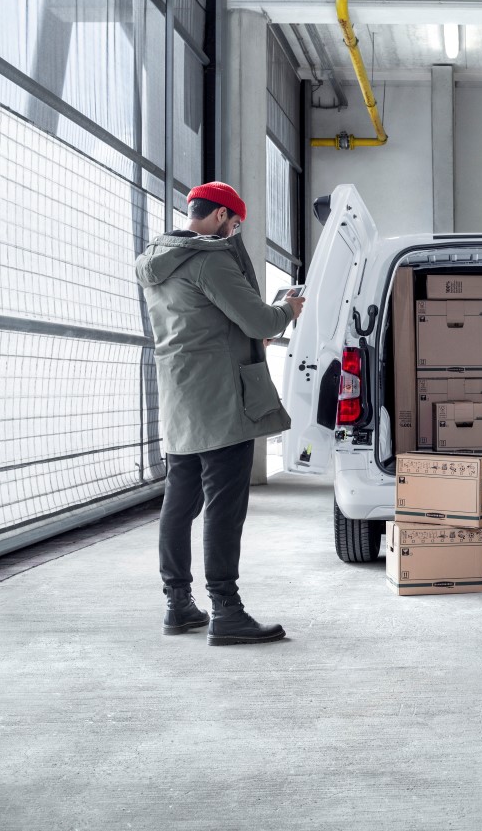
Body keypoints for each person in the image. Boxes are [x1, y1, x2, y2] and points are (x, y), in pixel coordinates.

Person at [135, 181, 304, 646]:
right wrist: (287, 308)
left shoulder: (157, 259)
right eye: (235, 224)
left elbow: (200, 323)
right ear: (220, 216)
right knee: (224, 509)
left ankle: (178, 605)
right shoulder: (210, 258)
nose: (235, 233)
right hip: (222, 400)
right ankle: (226, 610)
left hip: (180, 398)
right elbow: (260, 320)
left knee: (179, 504)